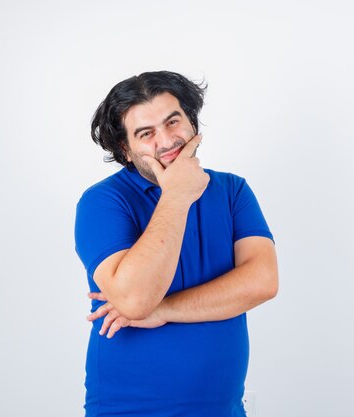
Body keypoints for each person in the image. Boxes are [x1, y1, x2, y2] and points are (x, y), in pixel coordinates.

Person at [74, 71, 278, 417]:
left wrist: (164, 310)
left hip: (224, 409)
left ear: (192, 123)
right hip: (128, 410)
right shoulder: (102, 202)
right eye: (146, 133)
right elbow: (135, 299)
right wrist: (176, 196)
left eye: (173, 122)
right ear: (125, 149)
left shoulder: (232, 191)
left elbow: (262, 283)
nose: (167, 141)